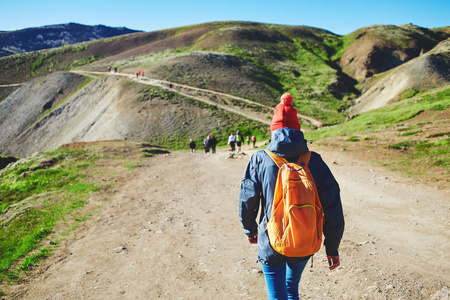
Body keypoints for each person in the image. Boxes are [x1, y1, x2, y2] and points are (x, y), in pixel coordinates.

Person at [239, 93, 344, 300]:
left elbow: (247, 199)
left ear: (273, 129)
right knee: (291, 287)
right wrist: (332, 247)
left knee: (276, 294)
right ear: (298, 130)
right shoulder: (314, 160)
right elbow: (333, 205)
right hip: (304, 238)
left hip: (271, 238)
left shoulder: (260, 159)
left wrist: (250, 229)